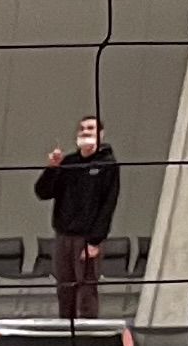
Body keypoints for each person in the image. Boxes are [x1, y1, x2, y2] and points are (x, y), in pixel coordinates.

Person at [34, 115, 122, 320]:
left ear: (100, 134)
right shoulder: (68, 163)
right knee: (65, 289)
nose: (85, 132)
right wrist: (52, 168)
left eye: (90, 128)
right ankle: (66, 331)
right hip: (63, 236)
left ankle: (87, 334)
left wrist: (95, 241)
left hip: (87, 239)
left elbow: (108, 205)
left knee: (86, 292)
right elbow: (42, 192)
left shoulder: (107, 165)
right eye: (82, 128)